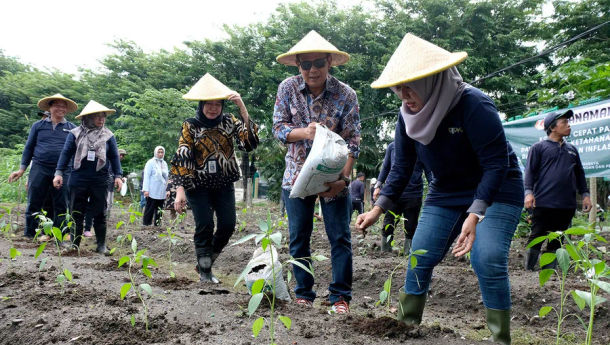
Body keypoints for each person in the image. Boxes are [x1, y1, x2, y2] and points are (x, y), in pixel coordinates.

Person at [356, 33, 523, 344]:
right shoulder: (406, 115)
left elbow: (496, 165)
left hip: (497, 189)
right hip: (446, 191)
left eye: (411, 85)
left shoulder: (474, 105)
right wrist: (377, 209)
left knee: (485, 257)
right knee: (420, 254)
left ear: (432, 80)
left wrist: (474, 215)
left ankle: (500, 339)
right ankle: (406, 329)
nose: (403, 94)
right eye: (398, 87)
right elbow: (402, 168)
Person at [273, 30, 360, 314]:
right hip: (296, 176)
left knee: (340, 237)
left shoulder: (346, 94)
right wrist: (304, 132)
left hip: (332, 178)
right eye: (306, 64)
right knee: (299, 236)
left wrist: (343, 179)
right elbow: (278, 129)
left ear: (329, 63)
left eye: (318, 63)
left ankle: (340, 298)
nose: (313, 70)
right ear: (298, 65)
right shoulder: (287, 88)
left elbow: (353, 140)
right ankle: (304, 294)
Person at [171, 73, 258, 283]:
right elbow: (183, 156)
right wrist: (180, 192)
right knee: (205, 225)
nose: (213, 108)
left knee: (228, 225)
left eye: (217, 104)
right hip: (197, 184)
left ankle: (205, 261)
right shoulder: (190, 125)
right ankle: (205, 272)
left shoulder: (229, 121)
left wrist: (242, 107)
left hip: (223, 182)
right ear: (201, 105)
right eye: (208, 104)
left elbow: (249, 143)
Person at [523, 109, 591, 270]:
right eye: (565, 122)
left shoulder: (572, 150)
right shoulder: (538, 148)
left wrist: (586, 195)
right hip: (543, 202)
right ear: (553, 127)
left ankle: (548, 270)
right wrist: (528, 193)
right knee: (538, 234)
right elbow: (529, 172)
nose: (568, 125)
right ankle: (529, 269)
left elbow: (580, 174)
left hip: (566, 204)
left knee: (558, 238)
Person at [53, 100, 123, 254]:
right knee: (76, 212)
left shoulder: (108, 135)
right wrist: (58, 172)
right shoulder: (75, 134)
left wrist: (118, 175)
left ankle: (101, 245)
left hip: (100, 178)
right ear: (87, 118)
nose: (101, 119)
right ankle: (75, 245)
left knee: (100, 212)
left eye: (103, 116)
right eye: (97, 116)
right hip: (79, 178)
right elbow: (65, 155)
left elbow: (114, 156)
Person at [8, 94, 78, 239]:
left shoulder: (72, 128)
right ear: (50, 107)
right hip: (39, 167)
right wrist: (22, 169)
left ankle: (57, 234)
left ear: (67, 110)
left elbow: (76, 152)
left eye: (63, 106)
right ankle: (30, 233)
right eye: (57, 105)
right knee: (34, 201)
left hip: (64, 170)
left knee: (60, 203)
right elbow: (29, 148)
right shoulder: (38, 126)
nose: (61, 108)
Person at [374, 142, 430, 254]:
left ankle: (408, 253)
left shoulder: (421, 146)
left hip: (413, 194)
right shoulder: (392, 146)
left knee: (411, 226)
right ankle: (385, 251)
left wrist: (433, 188)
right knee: (388, 223)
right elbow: (386, 166)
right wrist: (378, 186)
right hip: (394, 193)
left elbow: (428, 169)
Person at [84, 148, 127, 236]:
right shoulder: (109, 161)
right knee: (90, 205)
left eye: (123, 155)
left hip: (105, 186)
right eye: (120, 154)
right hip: (92, 182)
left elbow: (113, 173)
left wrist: (118, 177)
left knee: (105, 204)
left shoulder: (115, 163)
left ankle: (96, 226)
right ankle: (86, 227)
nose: (122, 156)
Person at [142, 146, 168, 226]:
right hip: (152, 189)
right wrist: (146, 189)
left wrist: (168, 189)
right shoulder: (150, 162)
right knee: (150, 207)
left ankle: (157, 224)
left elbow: (167, 177)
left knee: (159, 208)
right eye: (159, 152)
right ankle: (146, 224)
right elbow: (146, 176)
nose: (160, 154)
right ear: (155, 153)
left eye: (162, 152)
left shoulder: (164, 163)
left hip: (162, 189)